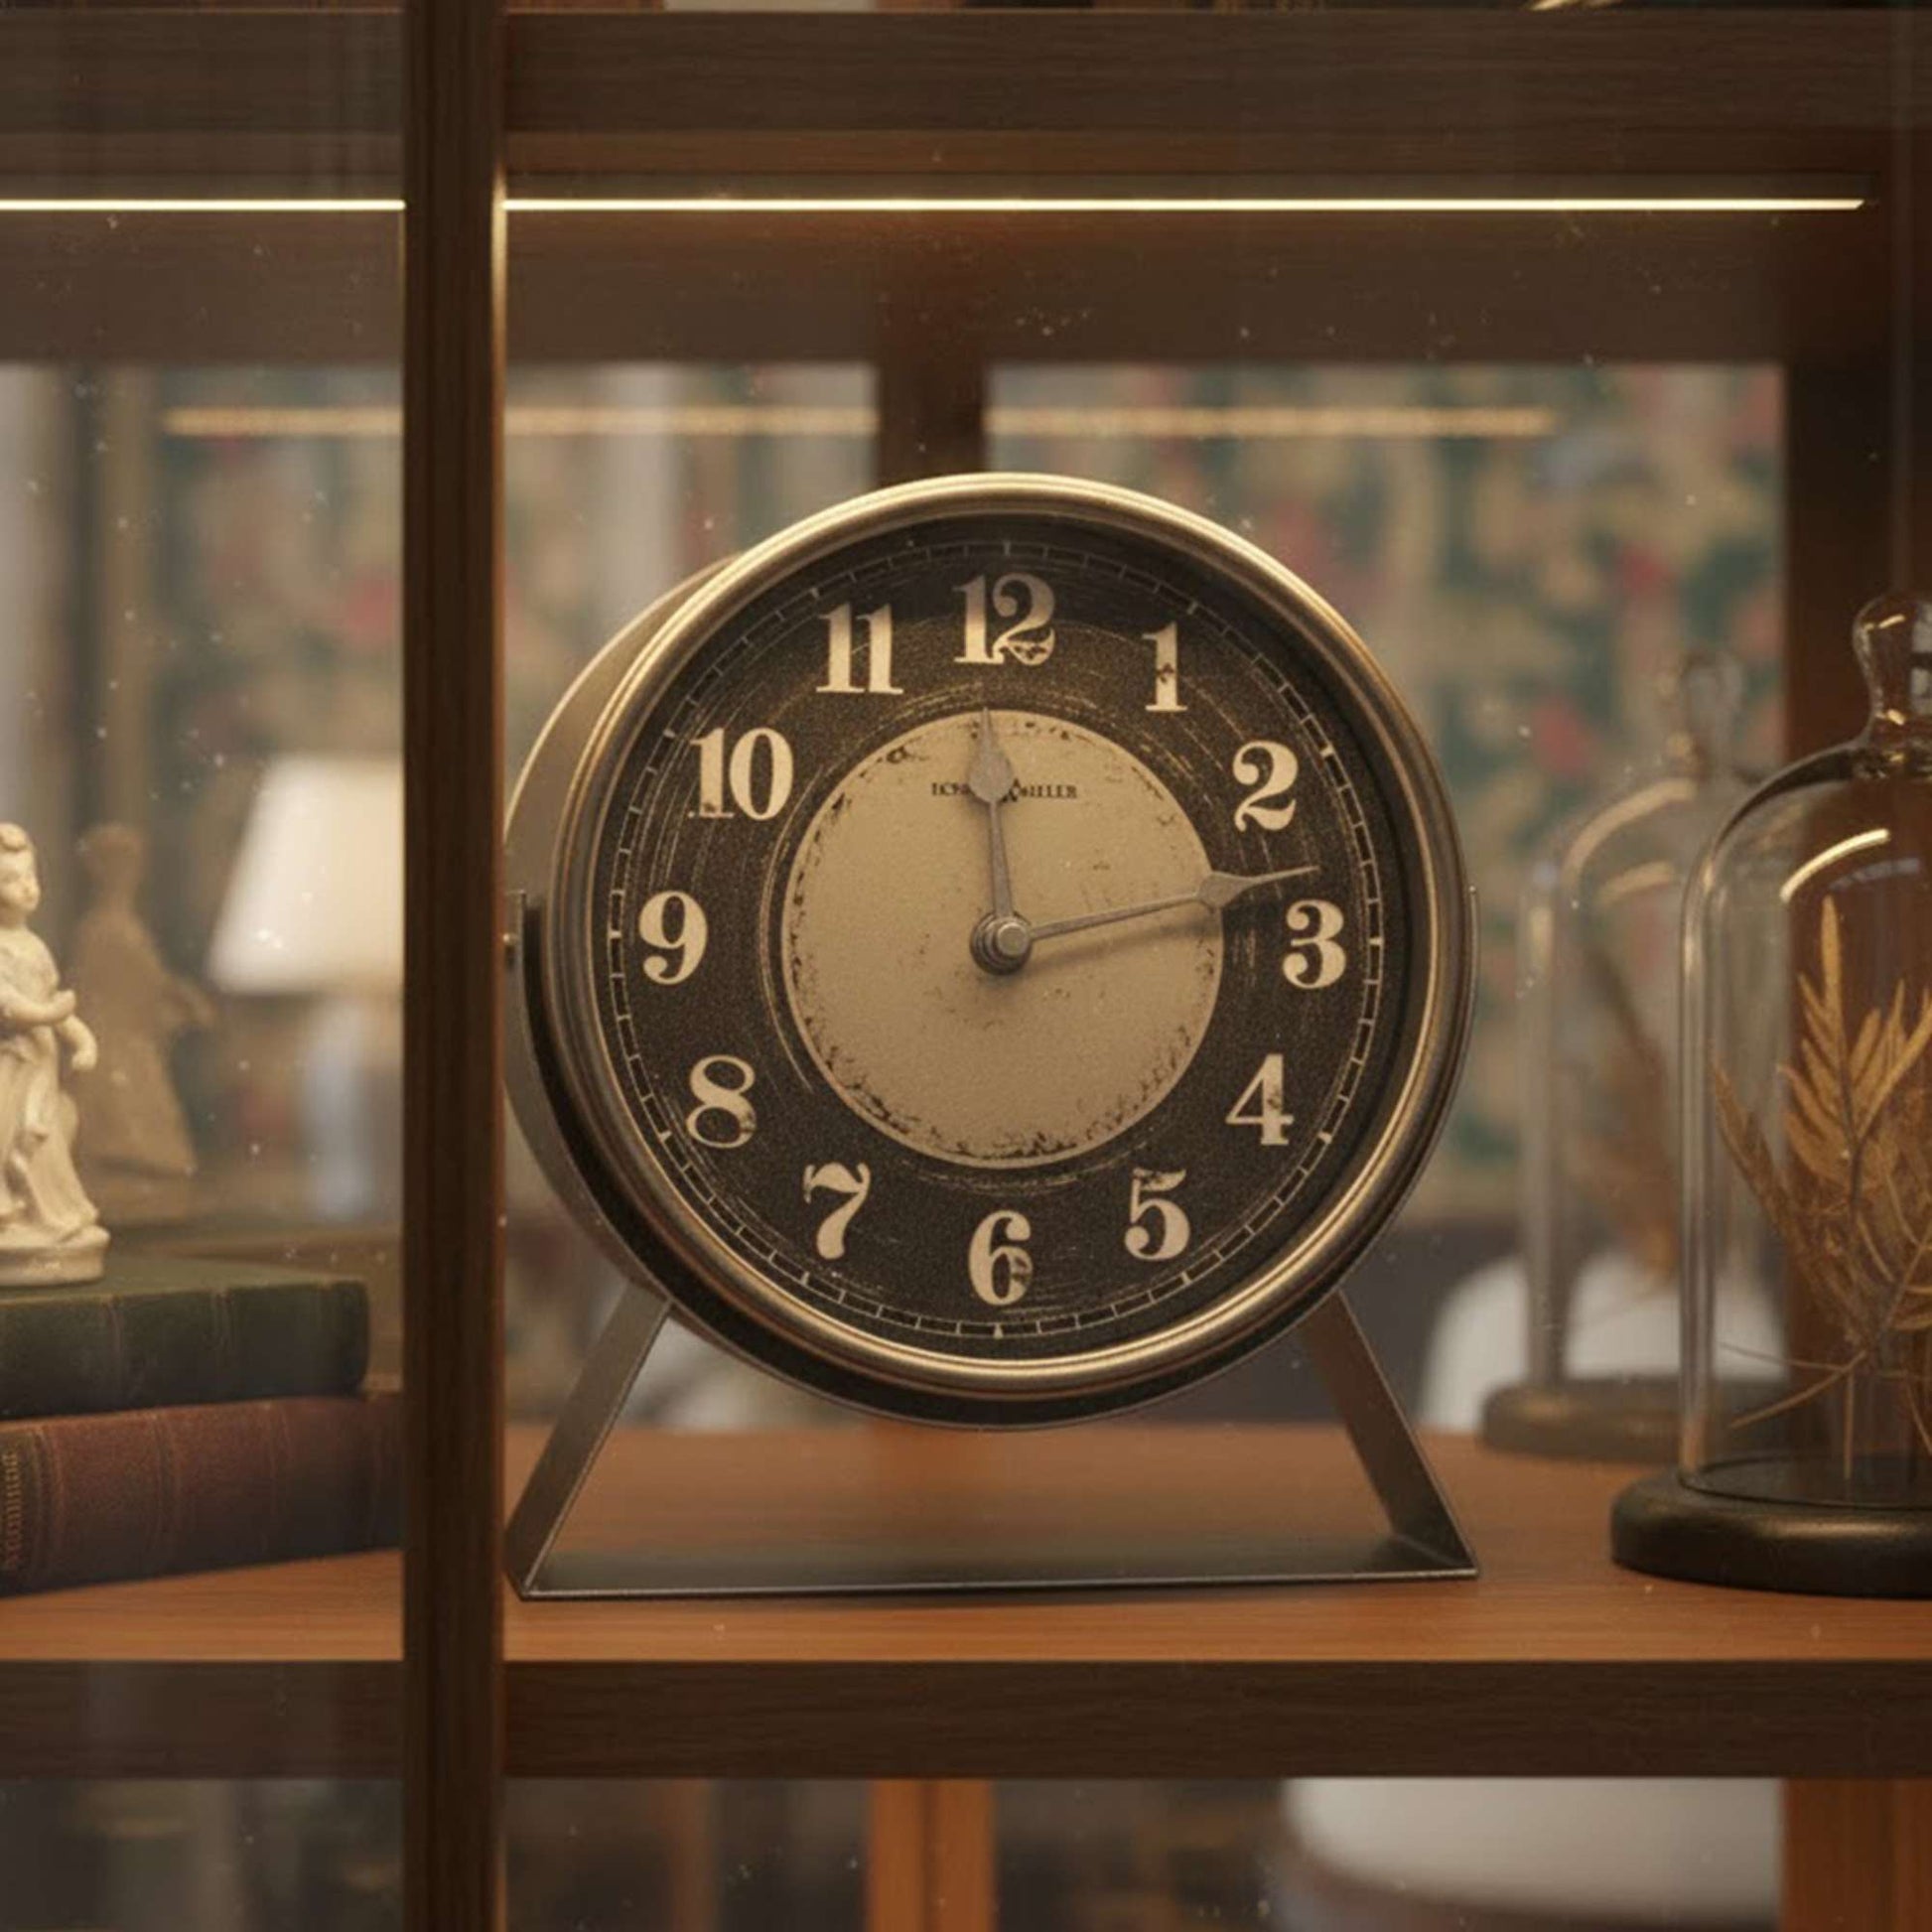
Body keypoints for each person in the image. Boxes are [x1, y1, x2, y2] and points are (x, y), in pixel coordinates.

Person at [0, 824, 107, 1285]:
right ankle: (16, 1215)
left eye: (30, 876)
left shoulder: (36, 946)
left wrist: (82, 1038)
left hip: (42, 1068)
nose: (27, 887)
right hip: (12, 1067)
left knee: (49, 1140)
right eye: (11, 879)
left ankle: (55, 1216)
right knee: (14, 1138)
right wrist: (48, 1014)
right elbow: (11, 1006)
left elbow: (56, 1004)